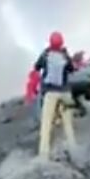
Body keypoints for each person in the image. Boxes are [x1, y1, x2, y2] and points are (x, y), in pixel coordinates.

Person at [34, 31, 76, 161]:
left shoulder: (46, 54)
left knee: (46, 124)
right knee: (68, 124)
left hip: (50, 93)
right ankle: (73, 148)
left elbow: (36, 67)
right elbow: (71, 69)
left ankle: (44, 154)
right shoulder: (65, 55)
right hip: (65, 92)